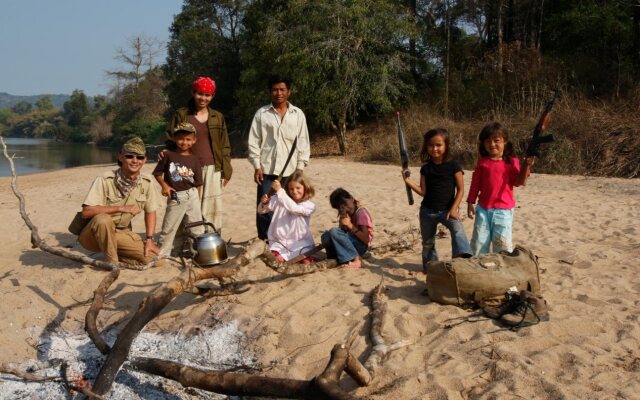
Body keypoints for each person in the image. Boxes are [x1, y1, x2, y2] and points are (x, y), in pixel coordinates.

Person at [78, 137, 162, 264]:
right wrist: (120, 208)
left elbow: (151, 212)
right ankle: (112, 263)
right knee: (103, 219)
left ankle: (118, 254)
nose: (135, 161)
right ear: (121, 157)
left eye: (139, 157)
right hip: (94, 236)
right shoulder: (104, 179)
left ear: (144, 160)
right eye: (130, 156)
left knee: (155, 260)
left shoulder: (147, 182)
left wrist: (149, 240)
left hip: (120, 234)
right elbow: (86, 212)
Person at [164, 76, 232, 232]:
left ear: (212, 96)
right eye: (200, 93)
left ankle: (211, 238)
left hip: (212, 168)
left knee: (211, 206)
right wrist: (167, 153)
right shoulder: (181, 115)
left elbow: (225, 146)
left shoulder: (217, 117)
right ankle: (188, 240)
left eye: (207, 95)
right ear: (193, 93)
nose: (203, 98)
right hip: (187, 168)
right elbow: (170, 138)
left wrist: (226, 171)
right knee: (188, 205)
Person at [248, 75, 311, 240]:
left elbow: (303, 142)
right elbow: (254, 141)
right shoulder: (262, 114)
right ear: (270, 92)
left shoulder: (298, 114)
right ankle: (264, 241)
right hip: (267, 169)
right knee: (264, 205)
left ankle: (286, 240)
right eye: (275, 89)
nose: (279, 93)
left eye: (282, 89)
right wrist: (256, 165)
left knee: (289, 206)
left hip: (291, 171)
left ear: (289, 92)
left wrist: (300, 168)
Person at [403, 128, 472, 272]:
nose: (434, 149)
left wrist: (454, 209)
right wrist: (408, 181)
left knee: (458, 230)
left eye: (438, 145)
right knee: (428, 243)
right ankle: (431, 268)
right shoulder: (426, 169)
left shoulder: (454, 166)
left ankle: (460, 263)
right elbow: (423, 192)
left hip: (448, 210)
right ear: (426, 147)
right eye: (430, 145)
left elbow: (460, 190)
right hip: (427, 212)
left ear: (446, 145)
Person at [466, 122, 534, 255]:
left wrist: (526, 165)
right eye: (487, 141)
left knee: (501, 243)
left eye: (496, 141)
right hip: (483, 209)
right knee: (479, 242)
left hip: (503, 211)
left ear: (505, 142)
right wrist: (470, 202)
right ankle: (480, 269)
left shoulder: (512, 162)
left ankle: (502, 269)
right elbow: (475, 183)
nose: (492, 144)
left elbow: (519, 182)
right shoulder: (482, 162)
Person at [153, 122, 205, 257]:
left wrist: (197, 200)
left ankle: (198, 253)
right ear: (174, 139)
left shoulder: (195, 159)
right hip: (176, 196)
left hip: (192, 195)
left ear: (194, 140)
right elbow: (157, 174)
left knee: (196, 227)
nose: (184, 142)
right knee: (169, 227)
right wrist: (165, 186)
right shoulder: (168, 155)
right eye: (180, 138)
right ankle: (163, 255)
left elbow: (198, 183)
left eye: (188, 139)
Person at [257, 171, 316, 263]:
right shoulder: (279, 199)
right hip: (279, 242)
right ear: (287, 189)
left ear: (305, 188)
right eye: (291, 189)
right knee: (275, 259)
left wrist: (280, 191)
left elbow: (294, 208)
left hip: (300, 242)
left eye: (298, 188)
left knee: (305, 260)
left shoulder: (309, 205)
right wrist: (265, 202)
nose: (295, 191)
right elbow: (261, 210)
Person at [321, 188, 373, 269]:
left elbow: (366, 240)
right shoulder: (346, 214)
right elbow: (341, 234)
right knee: (326, 236)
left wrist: (350, 226)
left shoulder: (361, 213)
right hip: (349, 244)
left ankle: (357, 259)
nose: (344, 207)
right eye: (340, 207)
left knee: (334, 231)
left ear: (351, 198)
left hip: (361, 245)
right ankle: (333, 258)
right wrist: (343, 222)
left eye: (344, 203)